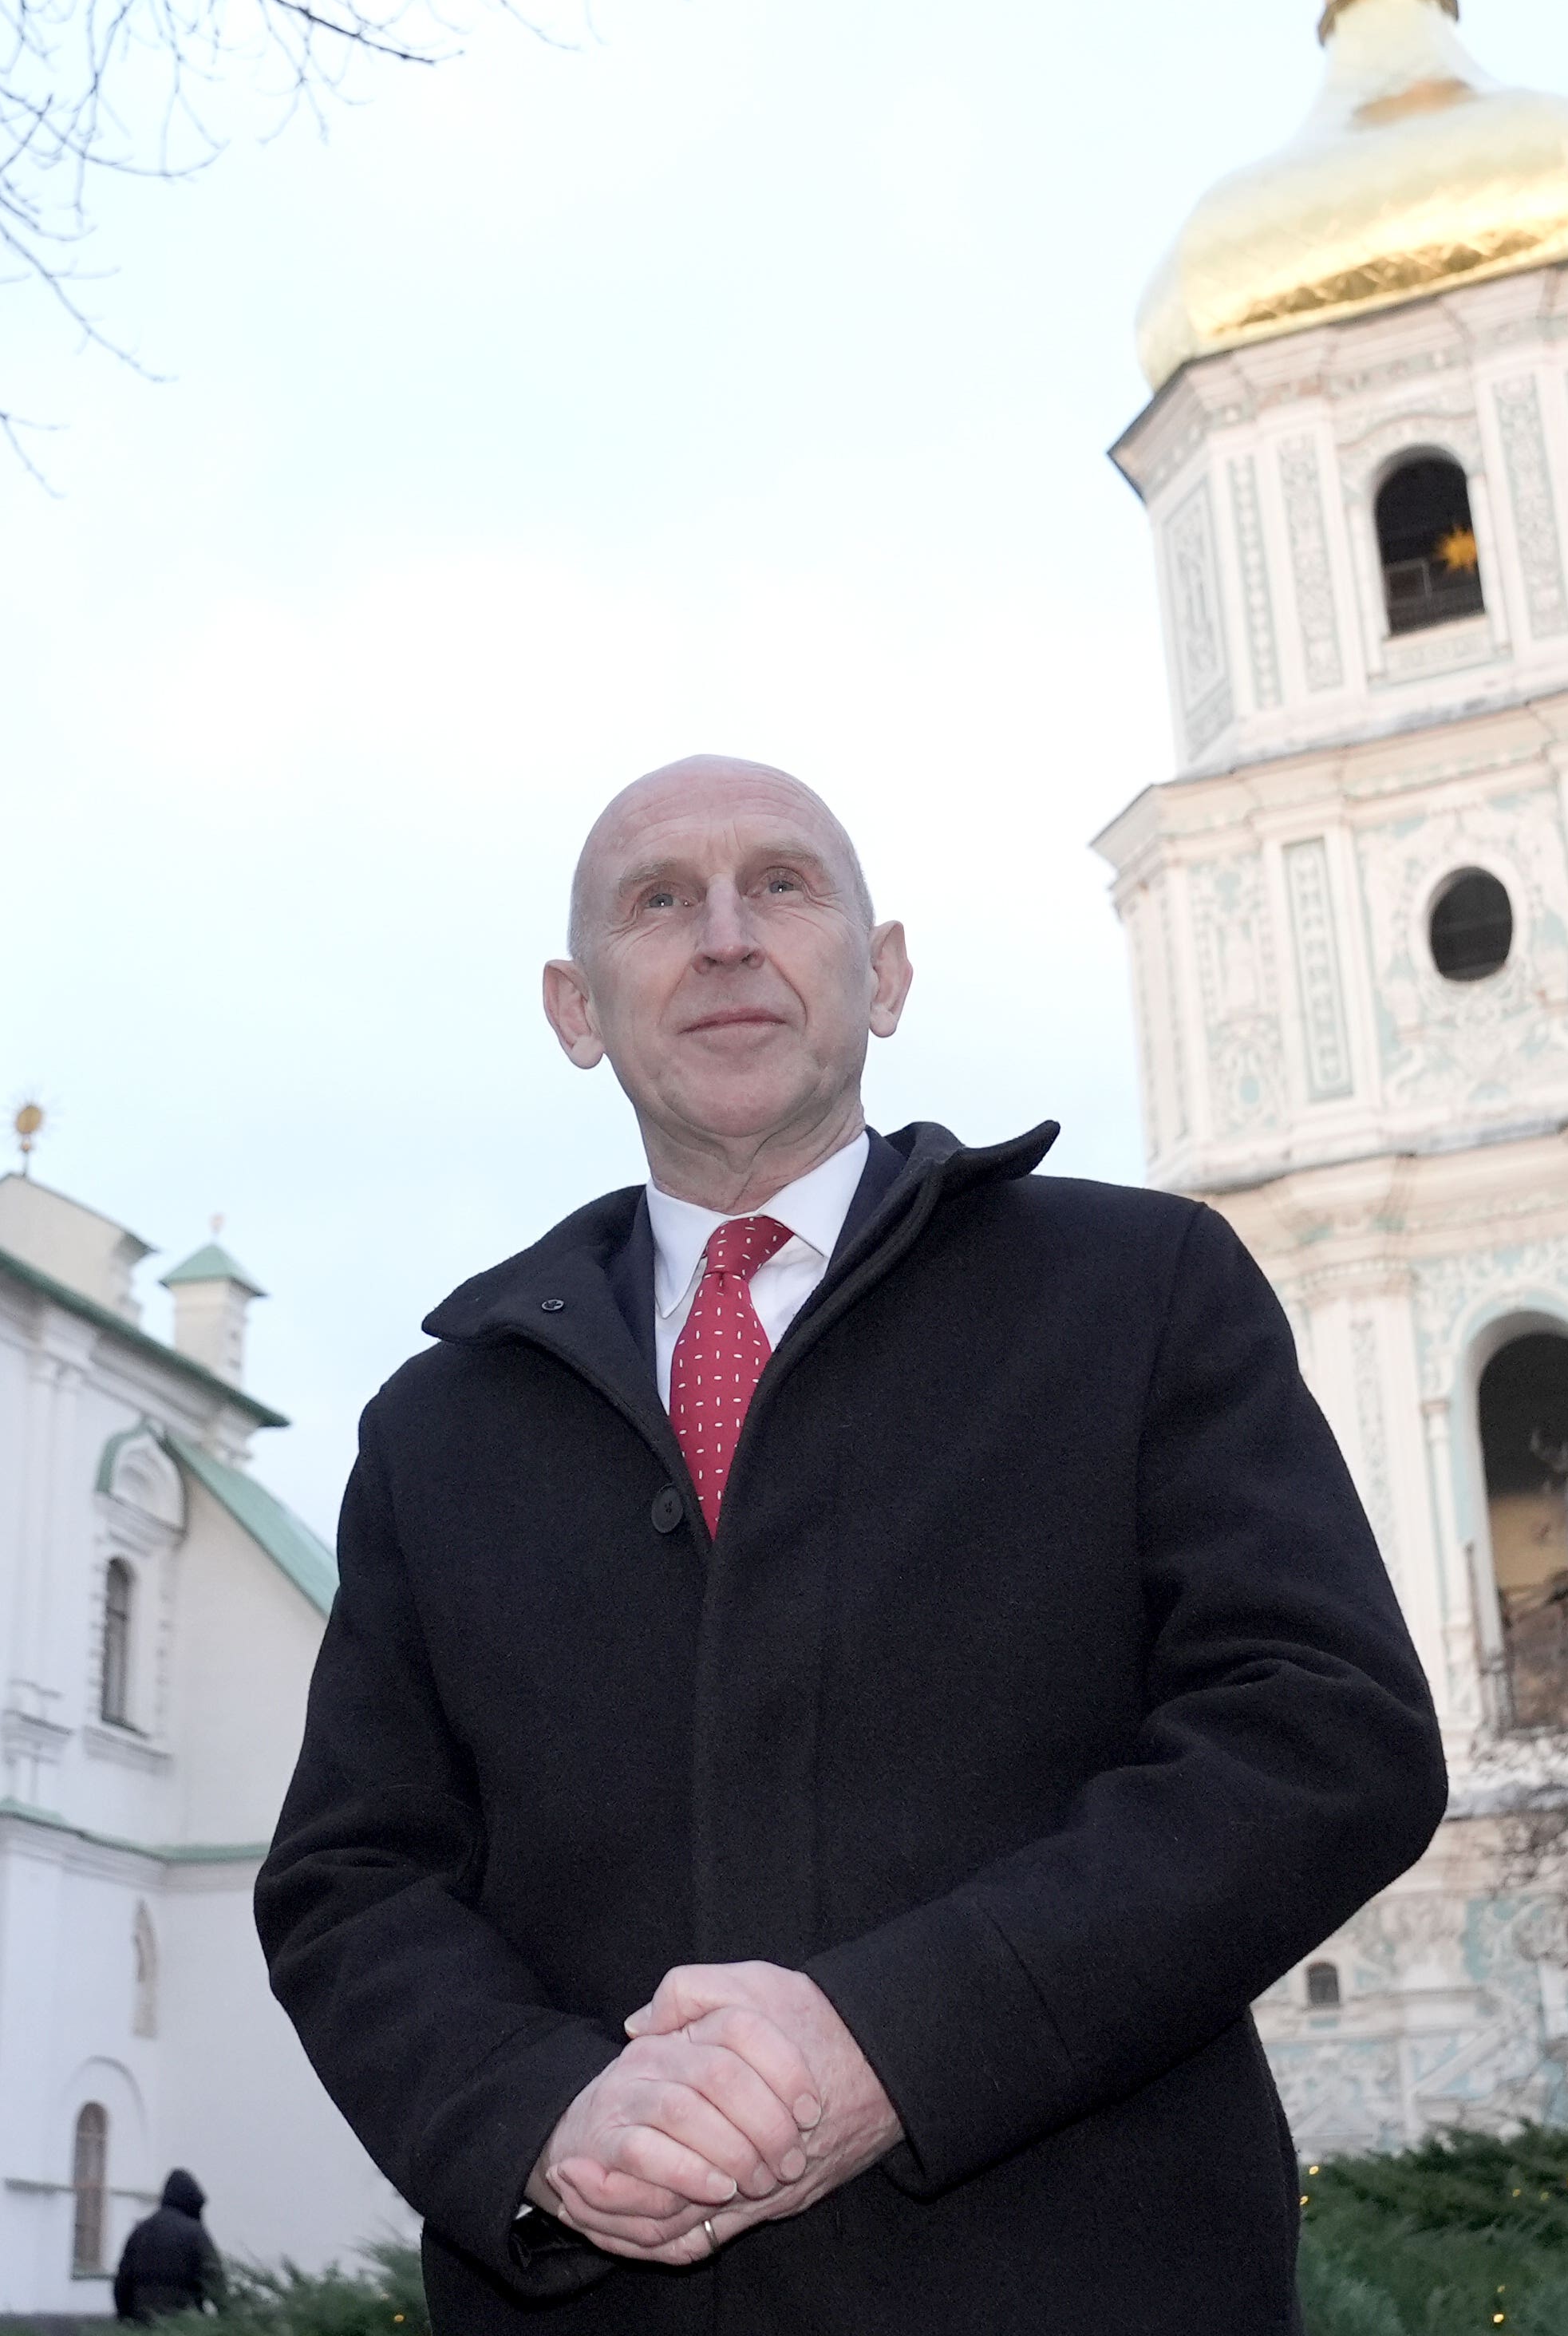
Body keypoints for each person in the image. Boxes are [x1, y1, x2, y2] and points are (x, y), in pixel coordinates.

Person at [257, 758, 1446, 2333]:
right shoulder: (440, 1428)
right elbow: (355, 1880)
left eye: (785, 885)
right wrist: (541, 2118)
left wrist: (889, 2043)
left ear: (882, 975)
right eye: (659, 899)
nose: (728, 935)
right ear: (576, 1006)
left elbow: (1322, 1737)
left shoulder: (1135, 1292)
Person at [110, 2167, 224, 2320]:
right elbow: (215, 2281)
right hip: (184, 2324)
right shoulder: (195, 2234)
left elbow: (122, 2284)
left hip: (142, 2323)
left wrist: (125, 2319)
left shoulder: (140, 2232)